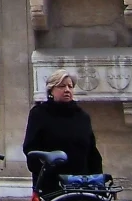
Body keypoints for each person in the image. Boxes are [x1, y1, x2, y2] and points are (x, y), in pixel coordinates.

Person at [23, 69, 103, 197]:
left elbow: (92, 152)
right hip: (51, 184)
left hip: (80, 184)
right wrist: (43, 173)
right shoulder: (39, 113)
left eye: (70, 86)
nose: (67, 90)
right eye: (61, 86)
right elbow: (30, 148)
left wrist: (97, 182)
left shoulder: (82, 116)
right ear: (51, 90)